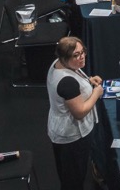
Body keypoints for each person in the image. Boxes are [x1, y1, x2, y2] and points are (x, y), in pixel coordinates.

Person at [46, 37, 104, 189]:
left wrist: (89, 81)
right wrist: (96, 93)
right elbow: (80, 112)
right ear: (64, 58)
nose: (82, 57)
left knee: (70, 174)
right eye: (76, 55)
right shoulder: (67, 83)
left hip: (60, 128)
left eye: (82, 52)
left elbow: (75, 77)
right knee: (73, 179)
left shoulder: (58, 64)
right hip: (72, 136)